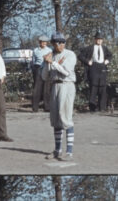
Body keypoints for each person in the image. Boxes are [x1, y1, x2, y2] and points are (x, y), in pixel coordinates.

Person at [43, 33, 77, 161]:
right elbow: (44, 76)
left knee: (66, 117)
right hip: (55, 86)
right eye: (57, 43)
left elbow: (66, 72)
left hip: (66, 85)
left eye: (62, 42)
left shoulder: (70, 54)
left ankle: (69, 152)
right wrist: (47, 63)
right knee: (56, 119)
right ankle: (58, 150)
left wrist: (53, 63)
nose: (60, 45)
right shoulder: (50, 55)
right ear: (53, 44)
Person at [80, 31, 112, 112]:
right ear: (95, 39)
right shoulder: (90, 48)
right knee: (93, 87)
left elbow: (110, 55)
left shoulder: (105, 48)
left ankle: (102, 108)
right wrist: (87, 61)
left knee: (103, 88)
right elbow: (80, 55)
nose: (99, 41)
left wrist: (107, 60)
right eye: (98, 39)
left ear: (102, 40)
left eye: (101, 39)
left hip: (102, 67)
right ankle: (92, 108)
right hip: (93, 67)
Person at [31, 35, 52, 112]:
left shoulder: (49, 50)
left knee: (46, 88)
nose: (44, 43)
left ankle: (47, 107)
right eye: (42, 42)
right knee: (37, 88)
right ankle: (35, 107)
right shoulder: (35, 50)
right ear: (39, 42)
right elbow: (33, 61)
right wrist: (34, 69)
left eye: (45, 42)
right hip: (38, 68)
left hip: (46, 68)